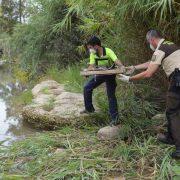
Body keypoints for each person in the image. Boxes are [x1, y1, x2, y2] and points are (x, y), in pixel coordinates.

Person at [118, 30, 180, 159]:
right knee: (174, 110)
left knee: (172, 112)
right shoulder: (169, 45)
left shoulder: (160, 49)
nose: (149, 44)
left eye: (148, 42)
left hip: (178, 79)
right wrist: (134, 67)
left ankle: (179, 148)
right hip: (177, 78)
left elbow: (148, 73)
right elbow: (151, 62)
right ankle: (170, 137)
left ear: (151, 39)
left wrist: (129, 79)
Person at [81, 36, 125, 125]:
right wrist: (87, 72)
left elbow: (116, 60)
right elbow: (91, 65)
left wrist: (122, 66)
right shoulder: (93, 54)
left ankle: (115, 119)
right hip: (100, 74)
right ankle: (89, 109)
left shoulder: (108, 51)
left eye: (90, 48)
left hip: (110, 75)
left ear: (96, 46)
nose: (90, 50)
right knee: (87, 87)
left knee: (111, 95)